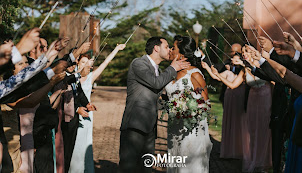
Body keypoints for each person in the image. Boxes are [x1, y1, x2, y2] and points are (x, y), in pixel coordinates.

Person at [119, 36, 190, 173]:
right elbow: (156, 83)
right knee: (128, 168)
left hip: (150, 127)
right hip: (135, 125)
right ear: (156, 48)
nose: (169, 49)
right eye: (166, 46)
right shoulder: (138, 63)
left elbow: (155, 93)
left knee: (146, 168)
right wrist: (173, 68)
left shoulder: (158, 69)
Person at [203, 45, 273, 172]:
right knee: (252, 131)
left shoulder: (262, 64)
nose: (244, 53)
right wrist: (216, 73)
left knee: (263, 130)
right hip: (252, 100)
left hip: (265, 98)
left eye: (246, 51)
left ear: (252, 52)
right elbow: (232, 85)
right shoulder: (244, 70)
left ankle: (264, 163)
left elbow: (272, 82)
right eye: (243, 52)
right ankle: (254, 160)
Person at [69, 44, 125, 173]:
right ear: (77, 62)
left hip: (87, 116)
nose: (84, 64)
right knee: (72, 146)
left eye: (87, 62)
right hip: (72, 114)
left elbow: (106, 62)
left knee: (83, 145)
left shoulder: (90, 77)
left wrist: (116, 49)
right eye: (82, 62)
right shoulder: (70, 77)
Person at [165, 35, 213, 172]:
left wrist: (188, 108)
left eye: (173, 48)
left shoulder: (194, 74)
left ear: (181, 52)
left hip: (191, 127)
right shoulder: (171, 72)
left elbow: (206, 103)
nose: (170, 50)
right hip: (174, 124)